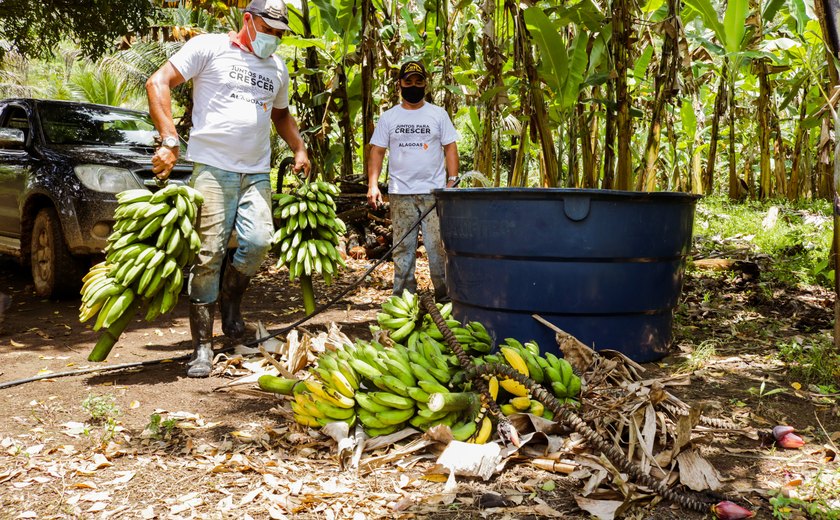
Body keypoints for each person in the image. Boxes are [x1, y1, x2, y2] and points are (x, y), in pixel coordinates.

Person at [146, 0, 310, 378]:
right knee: (208, 255)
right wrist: (169, 140)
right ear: (247, 20)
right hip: (213, 169)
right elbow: (158, 82)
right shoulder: (208, 47)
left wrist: (298, 147)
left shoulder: (277, 67)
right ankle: (201, 346)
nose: (274, 38)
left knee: (258, 243)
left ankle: (232, 305)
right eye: (268, 29)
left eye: (280, 33)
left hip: (256, 172)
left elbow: (280, 114)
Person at [367, 61, 459, 301]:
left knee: (438, 250)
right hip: (400, 194)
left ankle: (445, 299)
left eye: (418, 82)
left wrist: (452, 180)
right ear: (400, 84)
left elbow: (450, 148)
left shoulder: (438, 114)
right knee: (402, 250)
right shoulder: (389, 117)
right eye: (408, 82)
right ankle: (403, 300)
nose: (413, 86)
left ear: (425, 84)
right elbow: (377, 151)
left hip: (434, 194)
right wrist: (373, 185)